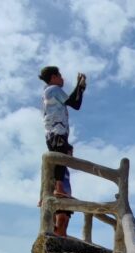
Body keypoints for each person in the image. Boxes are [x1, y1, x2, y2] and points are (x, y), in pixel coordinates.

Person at [40, 65, 88, 236]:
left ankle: (57, 189)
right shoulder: (53, 89)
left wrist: (80, 88)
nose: (62, 79)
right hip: (57, 129)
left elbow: (75, 103)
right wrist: (79, 86)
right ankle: (58, 188)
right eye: (60, 75)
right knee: (59, 160)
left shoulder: (49, 92)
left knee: (59, 160)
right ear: (53, 77)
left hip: (55, 130)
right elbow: (74, 103)